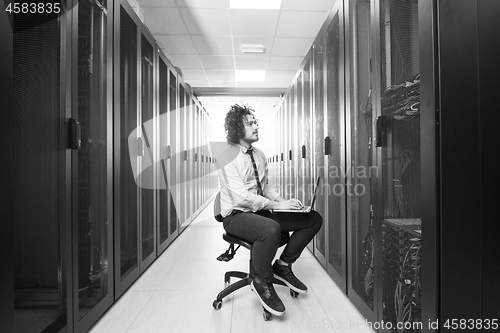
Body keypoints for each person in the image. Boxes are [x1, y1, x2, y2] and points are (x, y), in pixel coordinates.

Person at [217, 104, 323, 317]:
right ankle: (262, 280)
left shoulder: (260, 154)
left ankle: (283, 265)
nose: (256, 126)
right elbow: (242, 198)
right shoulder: (226, 157)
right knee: (271, 229)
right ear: (238, 128)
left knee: (312, 219)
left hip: (260, 211)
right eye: (250, 123)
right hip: (236, 215)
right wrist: (277, 206)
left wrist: (287, 203)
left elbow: (265, 187)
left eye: (255, 122)